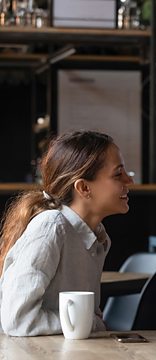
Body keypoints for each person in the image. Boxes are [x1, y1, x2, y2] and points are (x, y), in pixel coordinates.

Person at [0, 130, 133, 336]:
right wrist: (89, 323)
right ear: (83, 188)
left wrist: (89, 322)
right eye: (118, 174)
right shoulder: (51, 227)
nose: (129, 180)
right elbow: (18, 320)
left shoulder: (98, 236)